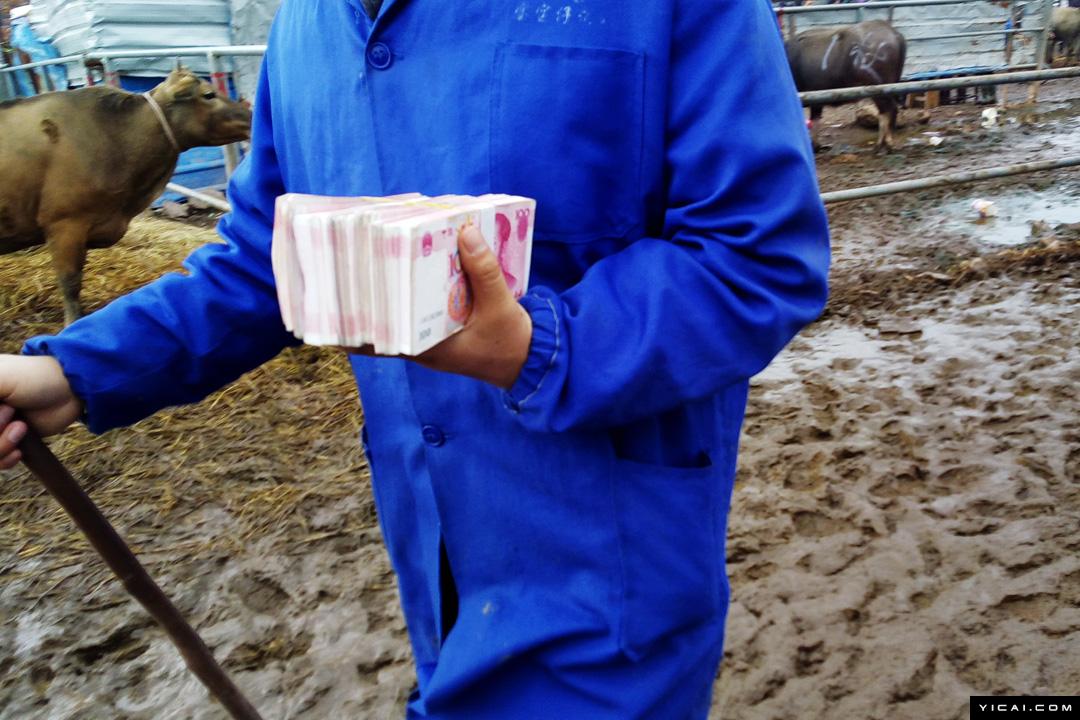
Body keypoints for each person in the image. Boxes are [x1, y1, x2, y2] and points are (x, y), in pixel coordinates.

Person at [0, 1, 830, 717]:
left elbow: (756, 256)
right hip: (431, 559)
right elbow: (268, 258)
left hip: (609, 572)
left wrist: (539, 347)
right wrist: (73, 373)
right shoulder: (309, 23)